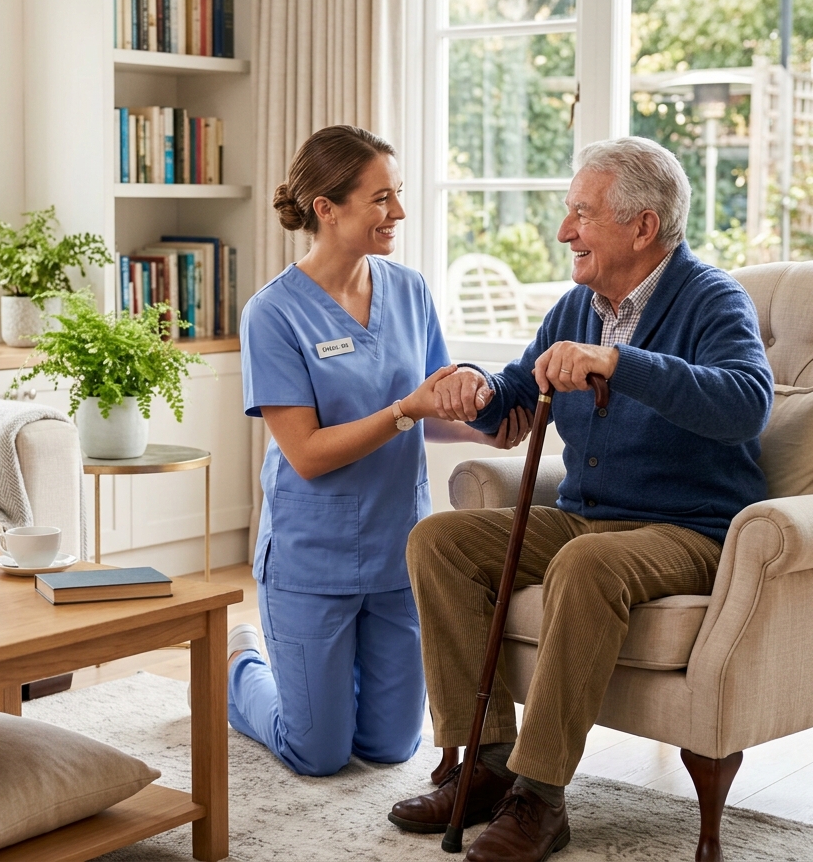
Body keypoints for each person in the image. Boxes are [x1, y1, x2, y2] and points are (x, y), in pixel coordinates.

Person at [388, 136, 774, 862]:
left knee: (587, 564)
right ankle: (484, 764)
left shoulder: (712, 298)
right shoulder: (575, 308)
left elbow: (746, 404)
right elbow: (513, 398)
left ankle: (540, 796)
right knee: (438, 540)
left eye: (583, 213)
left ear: (643, 226)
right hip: (586, 517)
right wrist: (474, 386)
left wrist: (618, 363)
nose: (565, 230)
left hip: (689, 530)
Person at [231, 124, 533, 778]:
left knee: (390, 746)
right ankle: (241, 667)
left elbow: (431, 407)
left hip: (398, 549)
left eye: (397, 193)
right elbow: (307, 453)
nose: (398, 211)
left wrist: (483, 427)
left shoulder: (410, 290)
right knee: (317, 753)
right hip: (312, 558)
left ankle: (320, 689)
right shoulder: (272, 315)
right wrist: (406, 411)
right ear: (326, 208)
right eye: (380, 198)